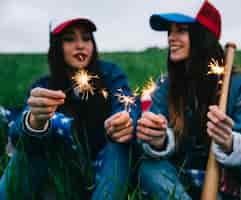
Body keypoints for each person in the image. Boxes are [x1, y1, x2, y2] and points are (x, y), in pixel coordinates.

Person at [137, 1, 241, 200]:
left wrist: (230, 143)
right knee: (149, 169)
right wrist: (159, 139)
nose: (171, 38)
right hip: (179, 183)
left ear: (203, 37)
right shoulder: (167, 84)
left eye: (181, 30)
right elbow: (154, 138)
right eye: (169, 31)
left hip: (230, 188)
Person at [0, 17, 138, 200]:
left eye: (86, 38)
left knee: (119, 144)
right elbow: (18, 133)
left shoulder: (110, 74)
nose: (80, 45)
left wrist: (125, 119)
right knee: (31, 145)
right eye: (69, 39)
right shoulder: (44, 86)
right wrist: (34, 121)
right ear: (57, 46)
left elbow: (127, 103)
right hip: (61, 169)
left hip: (106, 163)